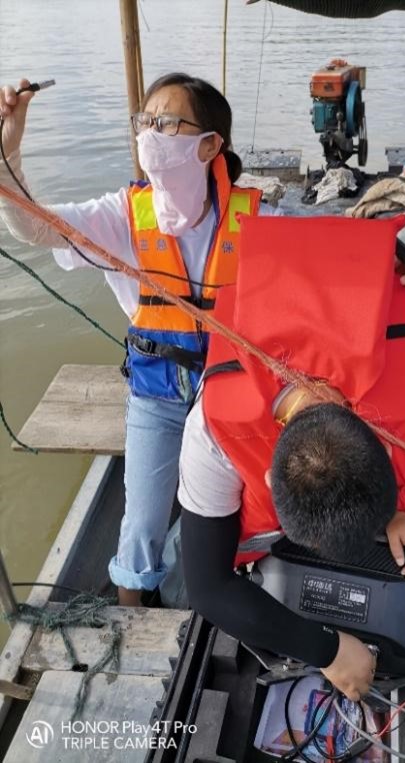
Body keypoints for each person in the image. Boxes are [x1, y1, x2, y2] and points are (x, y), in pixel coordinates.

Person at [0, 73, 276, 606]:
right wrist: (6, 156)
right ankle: (131, 617)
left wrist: (395, 260)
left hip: (231, 393)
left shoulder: (257, 216)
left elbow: (327, 256)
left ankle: (232, 589)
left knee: (251, 507)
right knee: (142, 523)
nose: (149, 133)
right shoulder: (123, 215)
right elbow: (35, 228)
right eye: (144, 121)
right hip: (157, 393)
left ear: (210, 145)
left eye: (166, 122)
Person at [177, 212, 405, 701]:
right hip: (265, 344)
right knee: (183, 561)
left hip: (349, 346)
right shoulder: (211, 435)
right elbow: (206, 586)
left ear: (382, 445)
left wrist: (404, 513)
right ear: (269, 480)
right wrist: (327, 650)